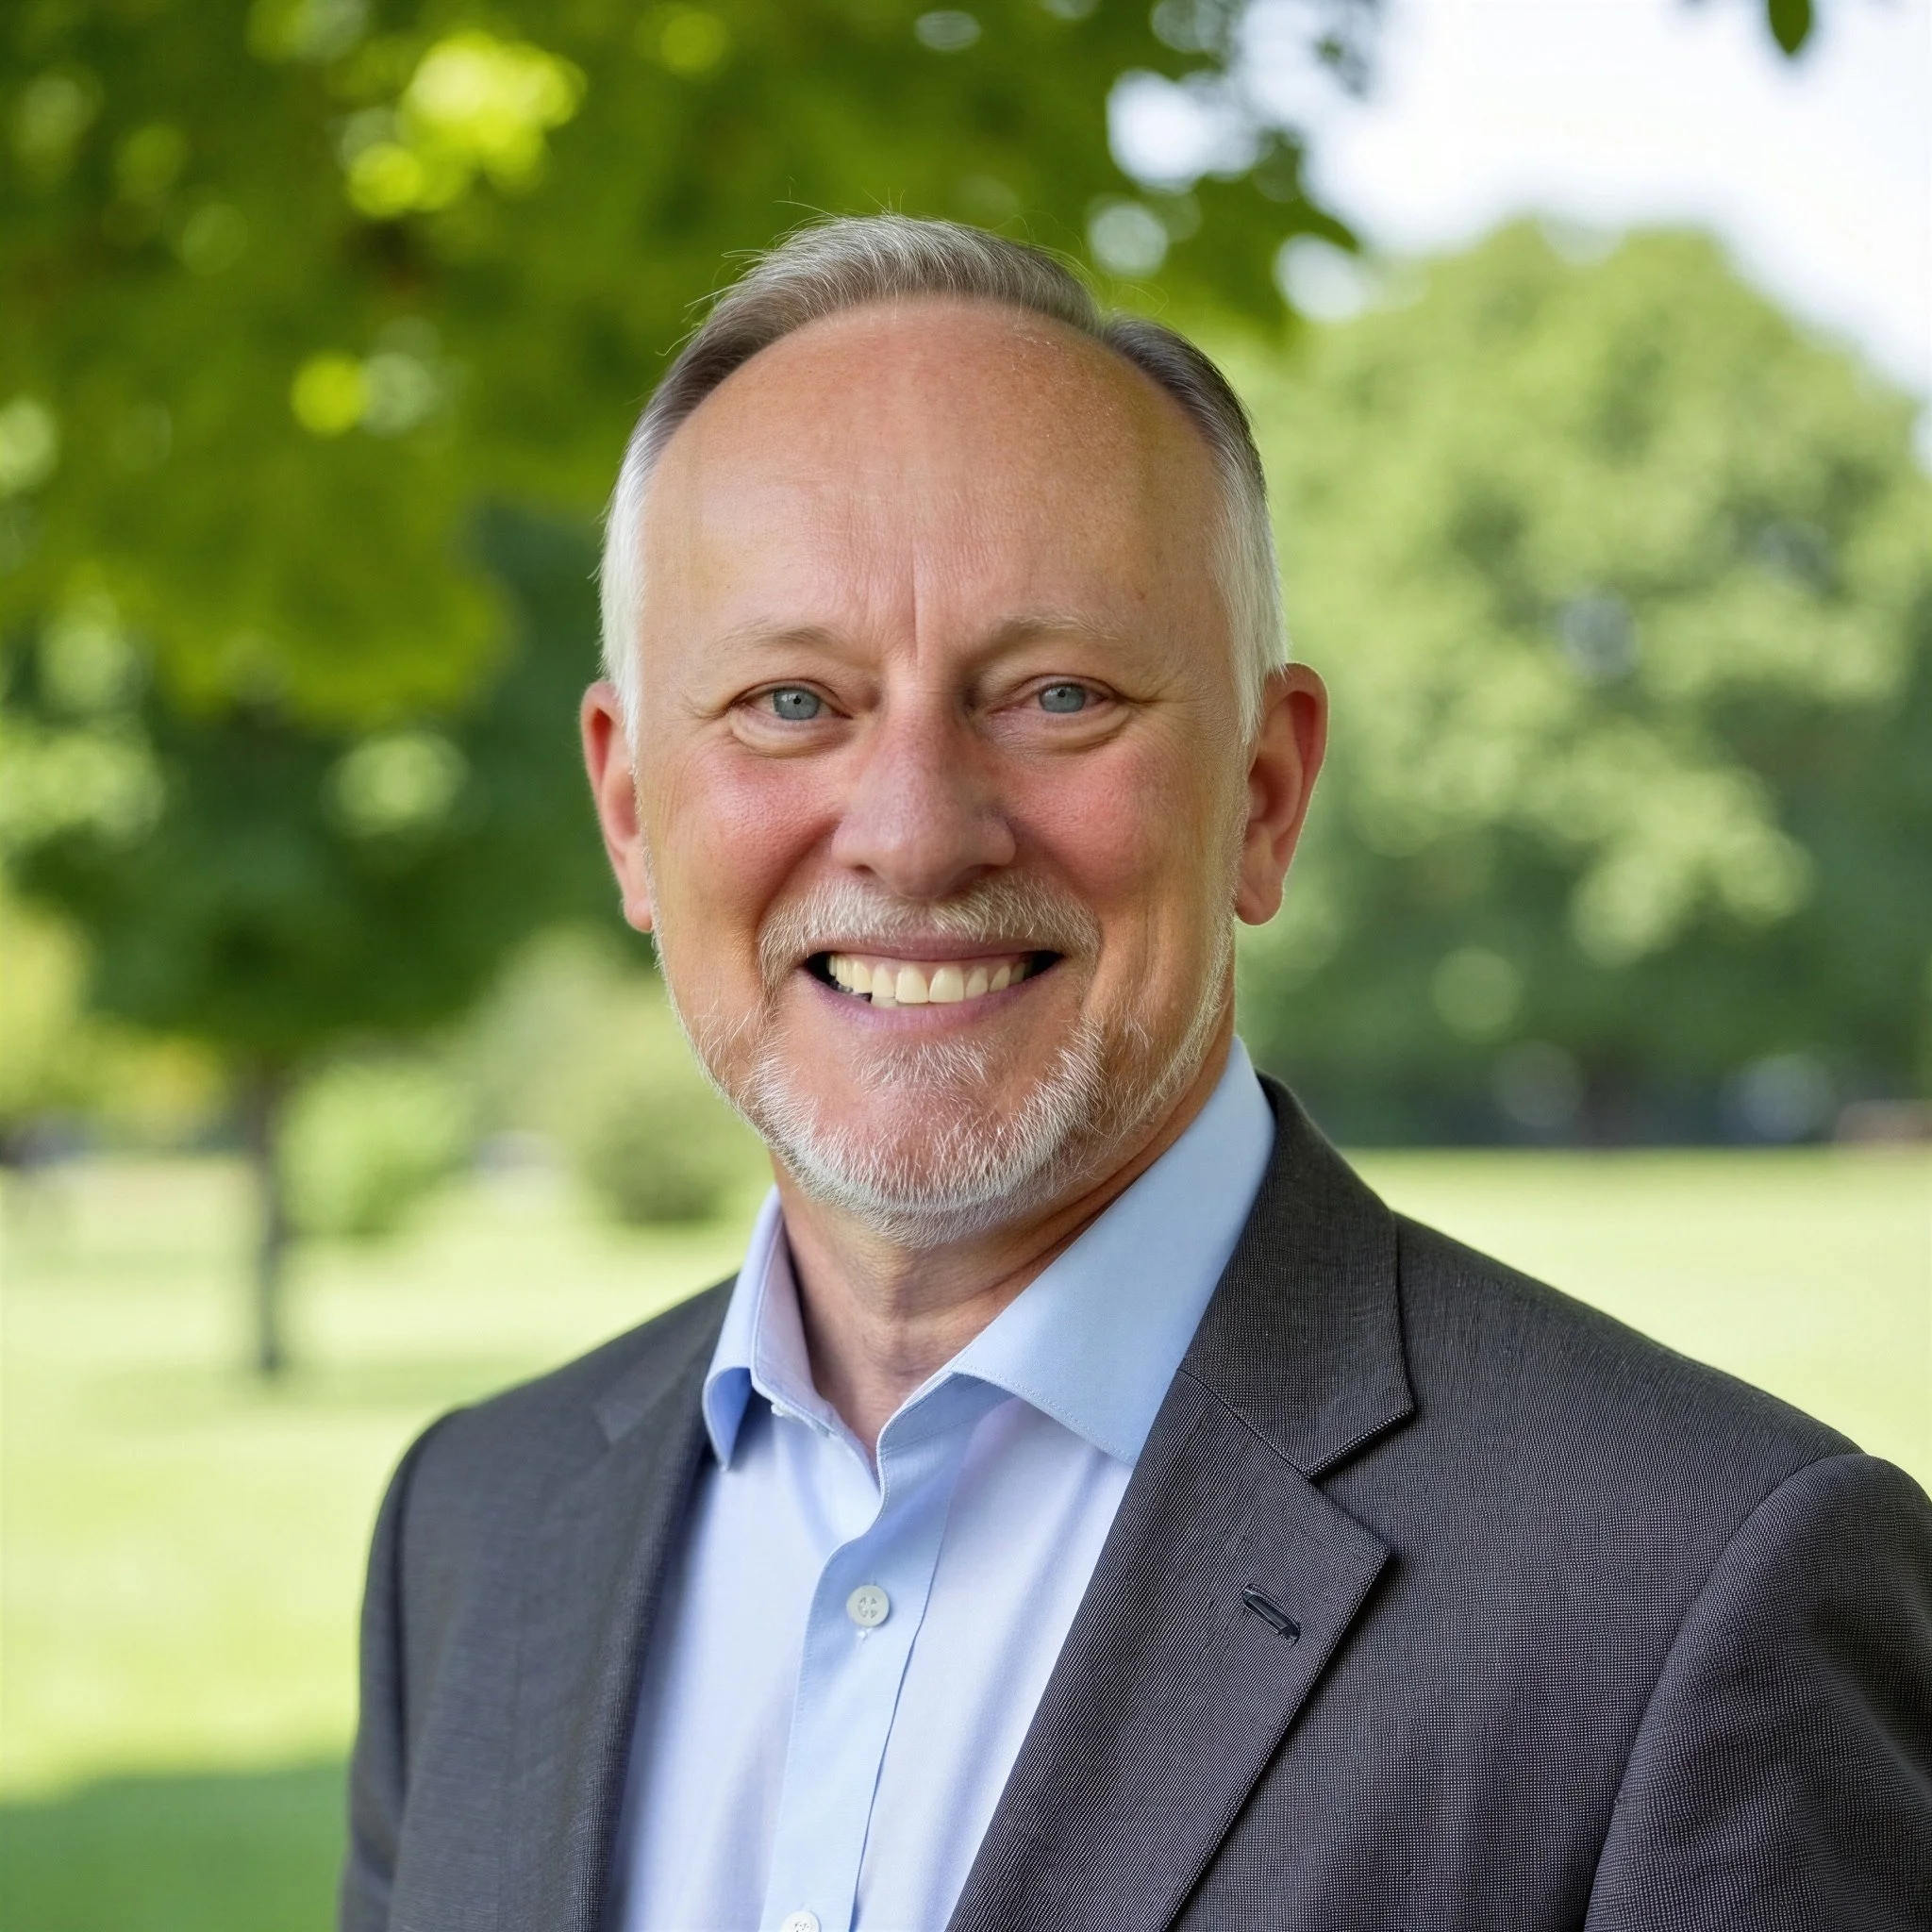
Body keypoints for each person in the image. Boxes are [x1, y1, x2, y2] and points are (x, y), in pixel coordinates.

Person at [340, 216, 1932, 1932]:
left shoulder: (1696, 1586)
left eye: (1057, 694)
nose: (915, 833)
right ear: (634, 811)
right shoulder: (475, 1530)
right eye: (794, 702)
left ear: (1262, 793)